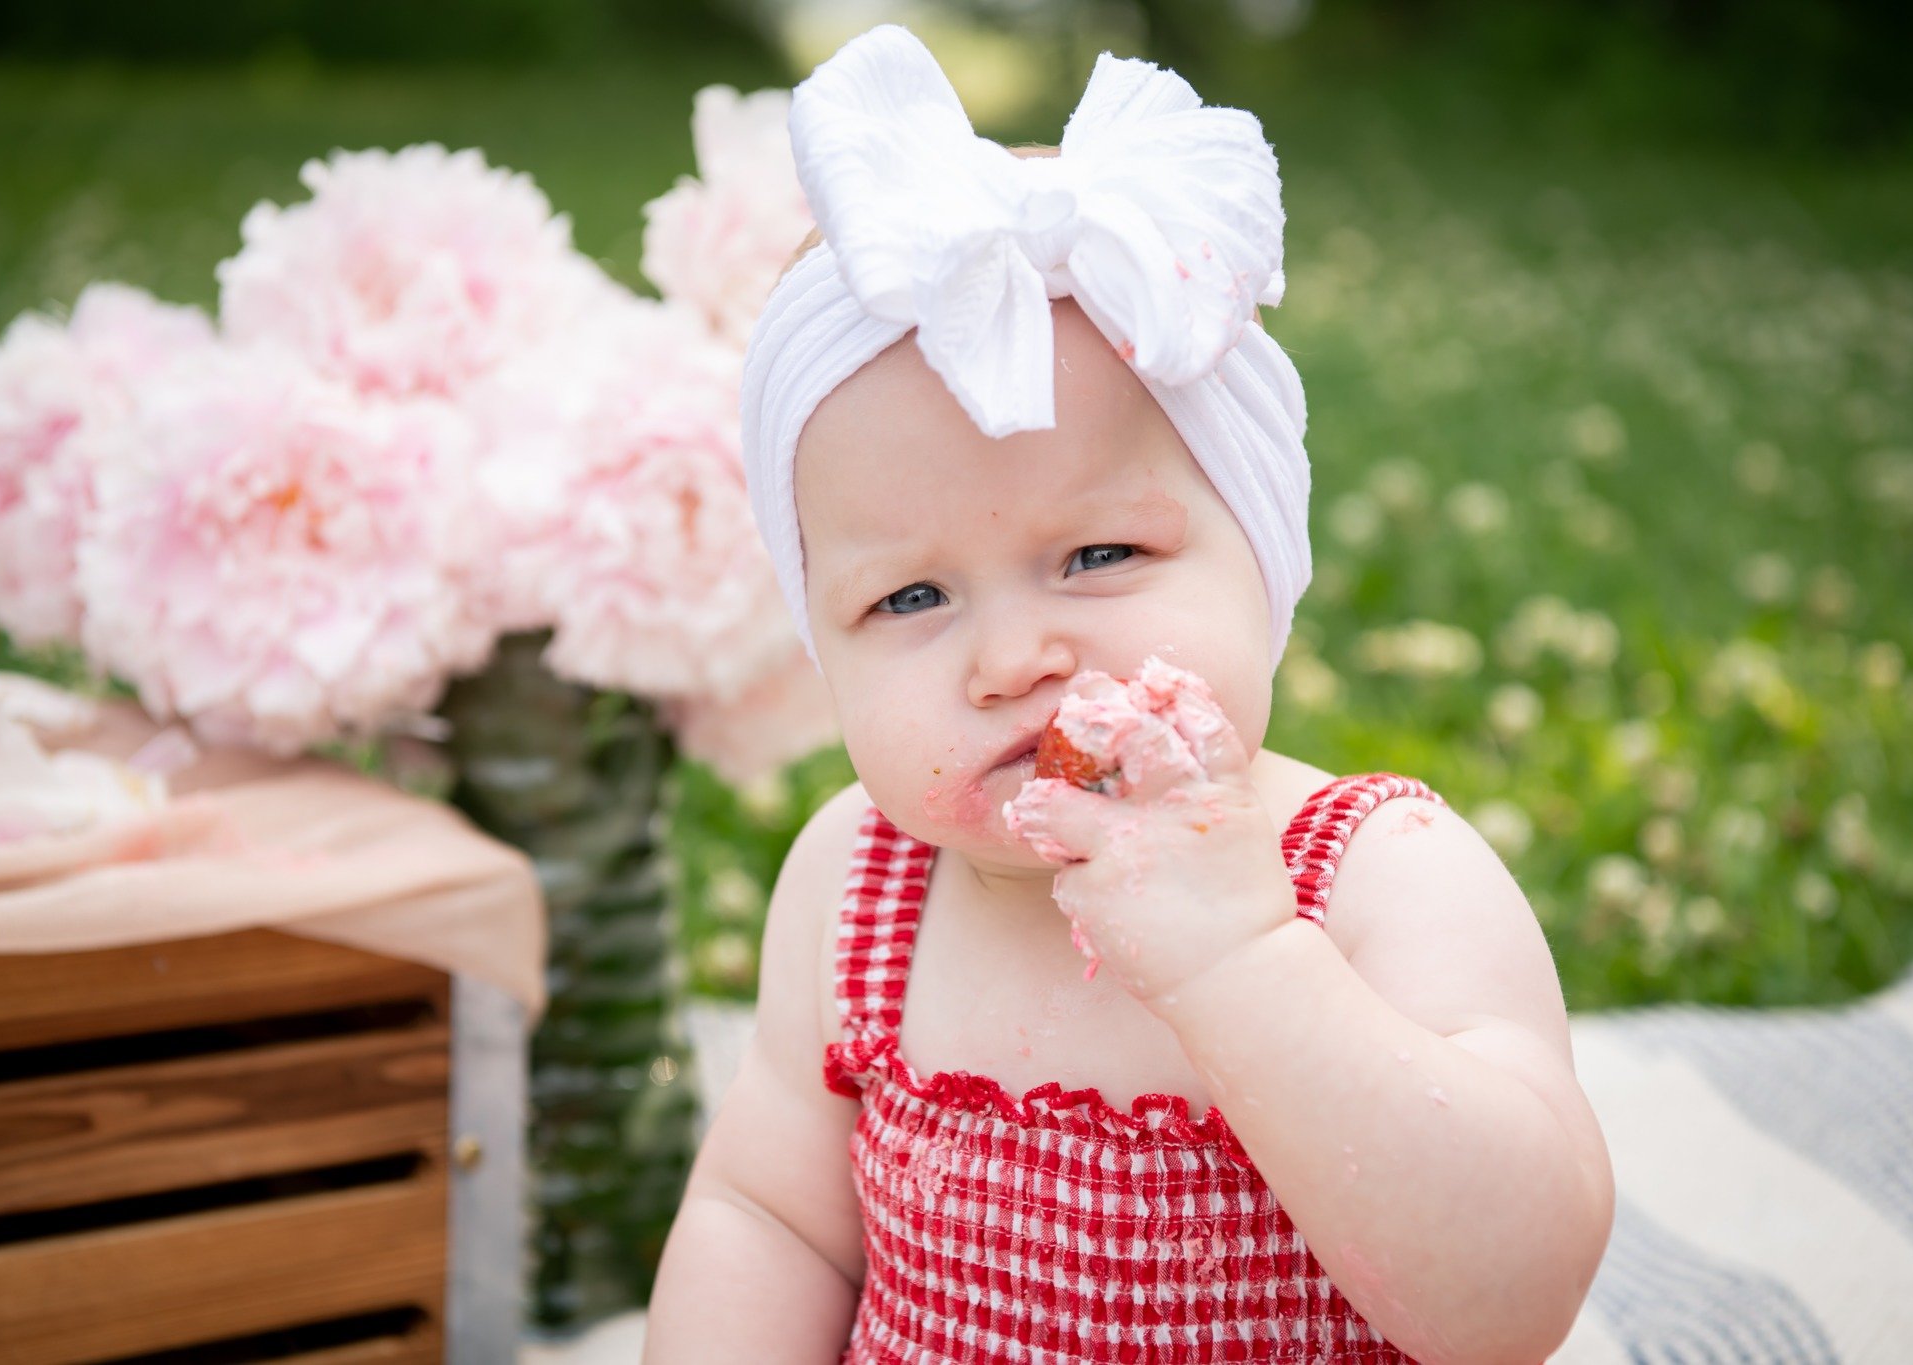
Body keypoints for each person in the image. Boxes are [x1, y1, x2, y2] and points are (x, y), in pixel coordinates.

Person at [645, 24, 1613, 1364]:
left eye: (1098, 556)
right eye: (909, 599)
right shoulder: (857, 887)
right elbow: (772, 1221)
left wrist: (1242, 962)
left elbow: (1509, 1306)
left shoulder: (1379, 879)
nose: (1013, 659)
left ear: (1265, 559)